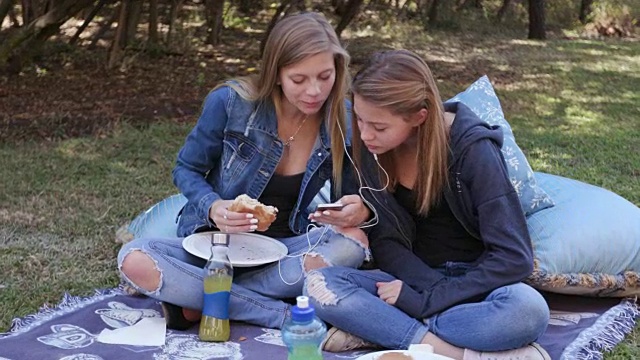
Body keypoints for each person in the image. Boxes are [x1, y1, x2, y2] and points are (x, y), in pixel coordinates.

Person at [117, 12, 371, 331]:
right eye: (299, 79)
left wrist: (356, 209)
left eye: (324, 76)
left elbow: (355, 195)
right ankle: (278, 313)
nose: (314, 91)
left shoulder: (342, 119)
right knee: (134, 256)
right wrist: (213, 205)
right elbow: (186, 169)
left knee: (353, 242)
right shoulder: (231, 103)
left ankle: (206, 299)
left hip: (284, 249)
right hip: (214, 246)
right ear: (276, 73)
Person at [304, 50, 551, 360]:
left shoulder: (473, 151)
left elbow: (514, 257)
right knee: (317, 286)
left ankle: (385, 330)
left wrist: (426, 301)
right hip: (405, 280)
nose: (365, 135)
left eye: (379, 127)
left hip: (473, 286)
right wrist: (363, 214)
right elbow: (384, 240)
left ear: (419, 117)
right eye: (361, 120)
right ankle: (459, 354)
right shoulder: (369, 149)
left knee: (527, 311)